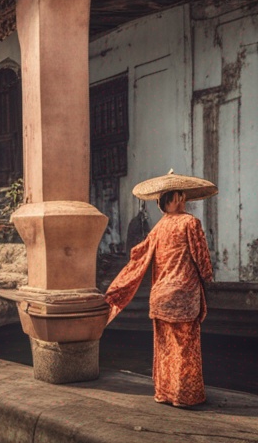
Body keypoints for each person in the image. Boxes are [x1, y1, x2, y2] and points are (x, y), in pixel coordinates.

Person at [105, 171, 216, 408]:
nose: (184, 199)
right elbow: (202, 260)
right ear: (175, 198)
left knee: (165, 347)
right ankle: (185, 396)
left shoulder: (158, 228)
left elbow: (137, 257)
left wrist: (116, 288)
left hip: (160, 297)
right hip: (183, 296)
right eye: (181, 196)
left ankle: (165, 393)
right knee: (186, 348)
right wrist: (208, 278)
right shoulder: (190, 223)